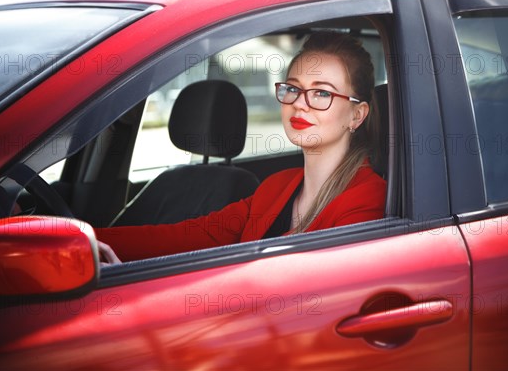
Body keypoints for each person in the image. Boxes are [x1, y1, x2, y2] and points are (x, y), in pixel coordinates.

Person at [96, 31, 387, 264]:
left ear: (357, 115)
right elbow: (182, 237)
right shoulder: (275, 188)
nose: (299, 102)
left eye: (321, 92)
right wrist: (79, 239)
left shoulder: (367, 199)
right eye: (294, 88)